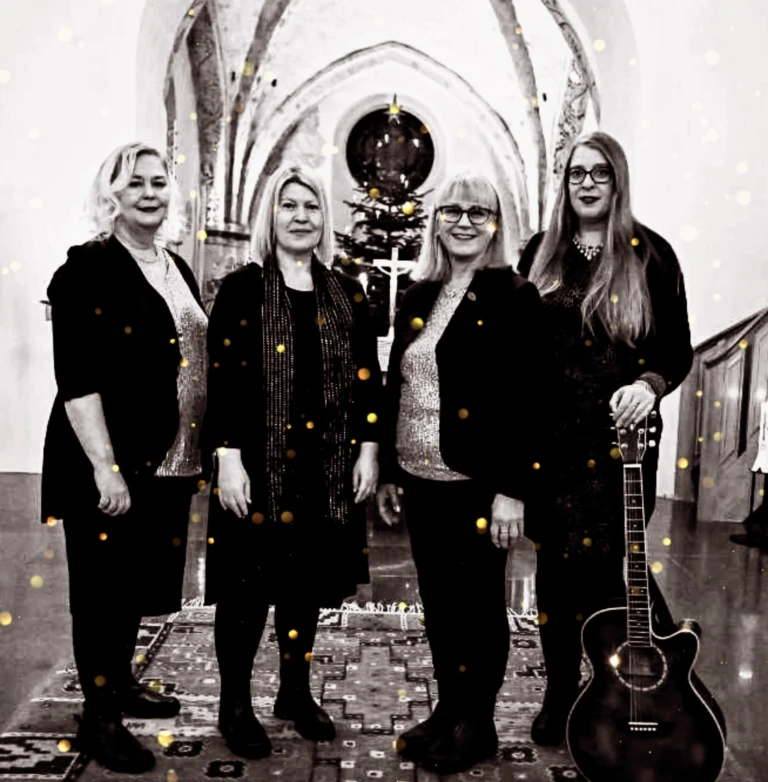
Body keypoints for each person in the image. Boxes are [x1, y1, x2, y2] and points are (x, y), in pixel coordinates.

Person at [517, 131, 694, 745]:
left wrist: (649, 383)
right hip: (551, 445)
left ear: (617, 181)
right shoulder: (539, 252)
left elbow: (676, 349)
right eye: (576, 173)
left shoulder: (652, 254)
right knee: (552, 570)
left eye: (599, 173)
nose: (586, 183)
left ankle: (610, 688)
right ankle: (559, 690)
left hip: (622, 447)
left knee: (603, 570)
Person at [202, 165, 382, 759]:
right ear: (271, 217)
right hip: (257, 466)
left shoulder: (347, 292)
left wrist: (369, 449)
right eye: (289, 205)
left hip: (323, 469)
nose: (301, 216)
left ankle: (295, 692)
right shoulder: (242, 289)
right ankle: (234, 703)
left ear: (324, 218)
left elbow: (368, 380)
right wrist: (227, 455)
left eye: (311, 206)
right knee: (246, 589)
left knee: (304, 585)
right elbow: (222, 381)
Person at [41, 143, 208, 773]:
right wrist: (104, 467)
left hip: (167, 460)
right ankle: (100, 719)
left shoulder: (174, 264)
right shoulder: (87, 268)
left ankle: (121, 683)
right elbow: (77, 379)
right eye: (134, 182)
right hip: (111, 462)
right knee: (101, 592)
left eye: (158, 182)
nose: (149, 193)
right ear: (110, 193)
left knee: (132, 584)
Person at [377, 172, 551, 775]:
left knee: (477, 606)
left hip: (477, 481)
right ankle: (449, 709)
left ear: (496, 224)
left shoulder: (515, 296)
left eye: (479, 212)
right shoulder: (419, 294)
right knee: (440, 602)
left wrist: (512, 490)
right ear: (436, 221)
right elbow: (396, 383)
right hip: (419, 476)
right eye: (452, 210)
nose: (464, 222)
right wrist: (389, 469)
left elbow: (531, 400)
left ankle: (477, 723)